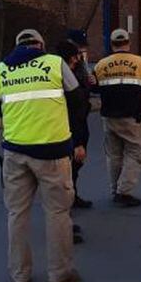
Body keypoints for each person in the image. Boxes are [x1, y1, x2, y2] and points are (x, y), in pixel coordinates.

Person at [0, 28, 81, 282]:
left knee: (16, 213)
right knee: (57, 212)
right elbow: (77, 101)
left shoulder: (1, 69)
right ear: (40, 45)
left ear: (17, 45)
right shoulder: (55, 63)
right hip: (53, 152)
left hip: (15, 152)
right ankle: (59, 275)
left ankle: (20, 277)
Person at [93, 28, 141, 207]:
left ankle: (115, 189)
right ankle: (123, 192)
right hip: (132, 117)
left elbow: (93, 87)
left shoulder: (101, 65)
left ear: (112, 44)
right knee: (137, 152)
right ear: (128, 43)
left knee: (114, 155)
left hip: (109, 117)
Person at [54, 38, 92, 213]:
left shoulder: (77, 72)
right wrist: (77, 143)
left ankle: (72, 197)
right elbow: (73, 111)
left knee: (74, 170)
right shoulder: (63, 76)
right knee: (66, 173)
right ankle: (65, 212)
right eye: (76, 56)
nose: (78, 59)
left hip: (77, 126)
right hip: (70, 129)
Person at [64, 29, 95, 209]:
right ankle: (67, 199)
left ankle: (73, 194)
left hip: (81, 113)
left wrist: (90, 81)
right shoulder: (63, 63)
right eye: (79, 47)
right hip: (72, 115)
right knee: (71, 159)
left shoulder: (80, 62)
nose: (80, 53)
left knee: (77, 161)